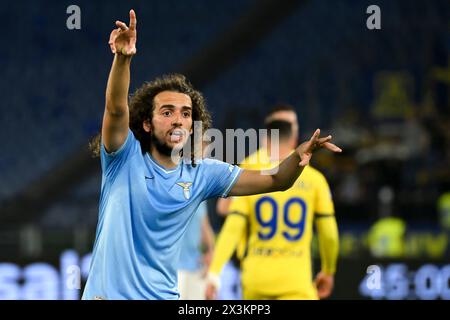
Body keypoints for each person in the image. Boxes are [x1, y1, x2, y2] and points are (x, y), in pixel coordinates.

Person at [82, 9, 341, 300]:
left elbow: (277, 179)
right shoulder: (122, 157)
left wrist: (298, 155)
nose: (178, 120)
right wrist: (123, 59)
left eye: (186, 114)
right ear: (146, 122)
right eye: (167, 113)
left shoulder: (202, 173)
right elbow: (116, 109)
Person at [206, 119, 340, 300]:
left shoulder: (251, 172)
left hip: (256, 282)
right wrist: (328, 270)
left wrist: (214, 273)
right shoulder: (315, 180)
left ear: (266, 140)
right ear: (293, 141)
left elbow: (233, 228)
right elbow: (329, 233)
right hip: (296, 284)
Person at [214, 104, 299, 300]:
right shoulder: (253, 164)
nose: (290, 129)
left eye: (292, 124)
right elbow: (224, 207)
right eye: (286, 124)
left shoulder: (302, 168)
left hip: (291, 268)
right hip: (255, 264)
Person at [177, 201, 214, 300]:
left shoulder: (199, 194)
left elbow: (204, 225)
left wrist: (210, 253)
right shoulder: (166, 193)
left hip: (196, 265)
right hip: (173, 268)